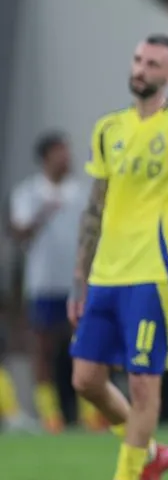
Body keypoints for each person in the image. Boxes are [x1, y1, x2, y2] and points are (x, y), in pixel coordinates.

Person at [68, 34, 168, 480]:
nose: (141, 68)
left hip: (156, 273)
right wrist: (79, 277)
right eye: (137, 59)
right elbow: (95, 206)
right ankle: (150, 453)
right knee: (85, 379)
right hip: (107, 272)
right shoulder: (109, 129)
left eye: (153, 63)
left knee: (143, 381)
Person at [8, 133, 103, 433]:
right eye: (60, 152)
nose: (67, 158)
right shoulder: (29, 192)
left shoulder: (81, 192)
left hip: (76, 283)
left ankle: (90, 412)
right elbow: (19, 233)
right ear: (46, 157)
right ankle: (51, 416)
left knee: (84, 347)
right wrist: (43, 212)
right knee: (43, 349)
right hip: (43, 284)